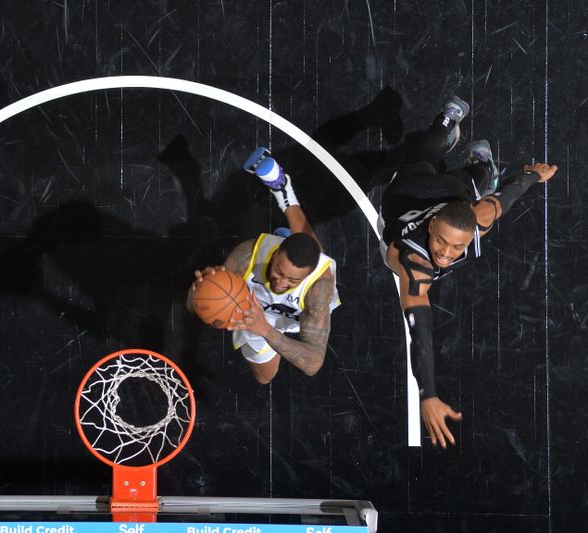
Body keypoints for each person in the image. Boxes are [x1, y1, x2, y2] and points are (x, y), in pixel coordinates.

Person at [379, 96, 558, 448]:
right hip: (406, 197)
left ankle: (476, 158)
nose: (446, 254)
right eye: (442, 243)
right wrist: (428, 394)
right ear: (431, 231)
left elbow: (504, 199)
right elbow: (422, 332)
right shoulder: (415, 266)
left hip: (451, 195)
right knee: (421, 160)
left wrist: (530, 176)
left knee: (479, 180)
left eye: (456, 247)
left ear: (469, 237)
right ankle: (446, 123)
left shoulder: (476, 220)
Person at [187, 148, 341, 384]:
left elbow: (313, 363)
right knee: (264, 377)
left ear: (306, 277)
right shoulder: (247, 256)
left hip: (279, 317)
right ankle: (283, 197)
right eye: (279, 272)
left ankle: (284, 190)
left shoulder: (319, 289)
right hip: (254, 310)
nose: (280, 282)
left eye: (291, 280)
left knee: (313, 252)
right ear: (276, 251)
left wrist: (267, 332)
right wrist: (204, 288)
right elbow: (192, 305)